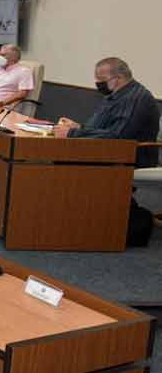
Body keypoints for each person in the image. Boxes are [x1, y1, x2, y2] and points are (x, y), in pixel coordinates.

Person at [54, 57, 161, 244]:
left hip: (130, 155)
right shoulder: (116, 96)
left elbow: (119, 136)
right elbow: (102, 129)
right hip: (111, 149)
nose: (97, 84)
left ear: (117, 78)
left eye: (101, 79)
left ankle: (91, 221)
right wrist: (79, 127)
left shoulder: (136, 98)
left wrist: (73, 133)